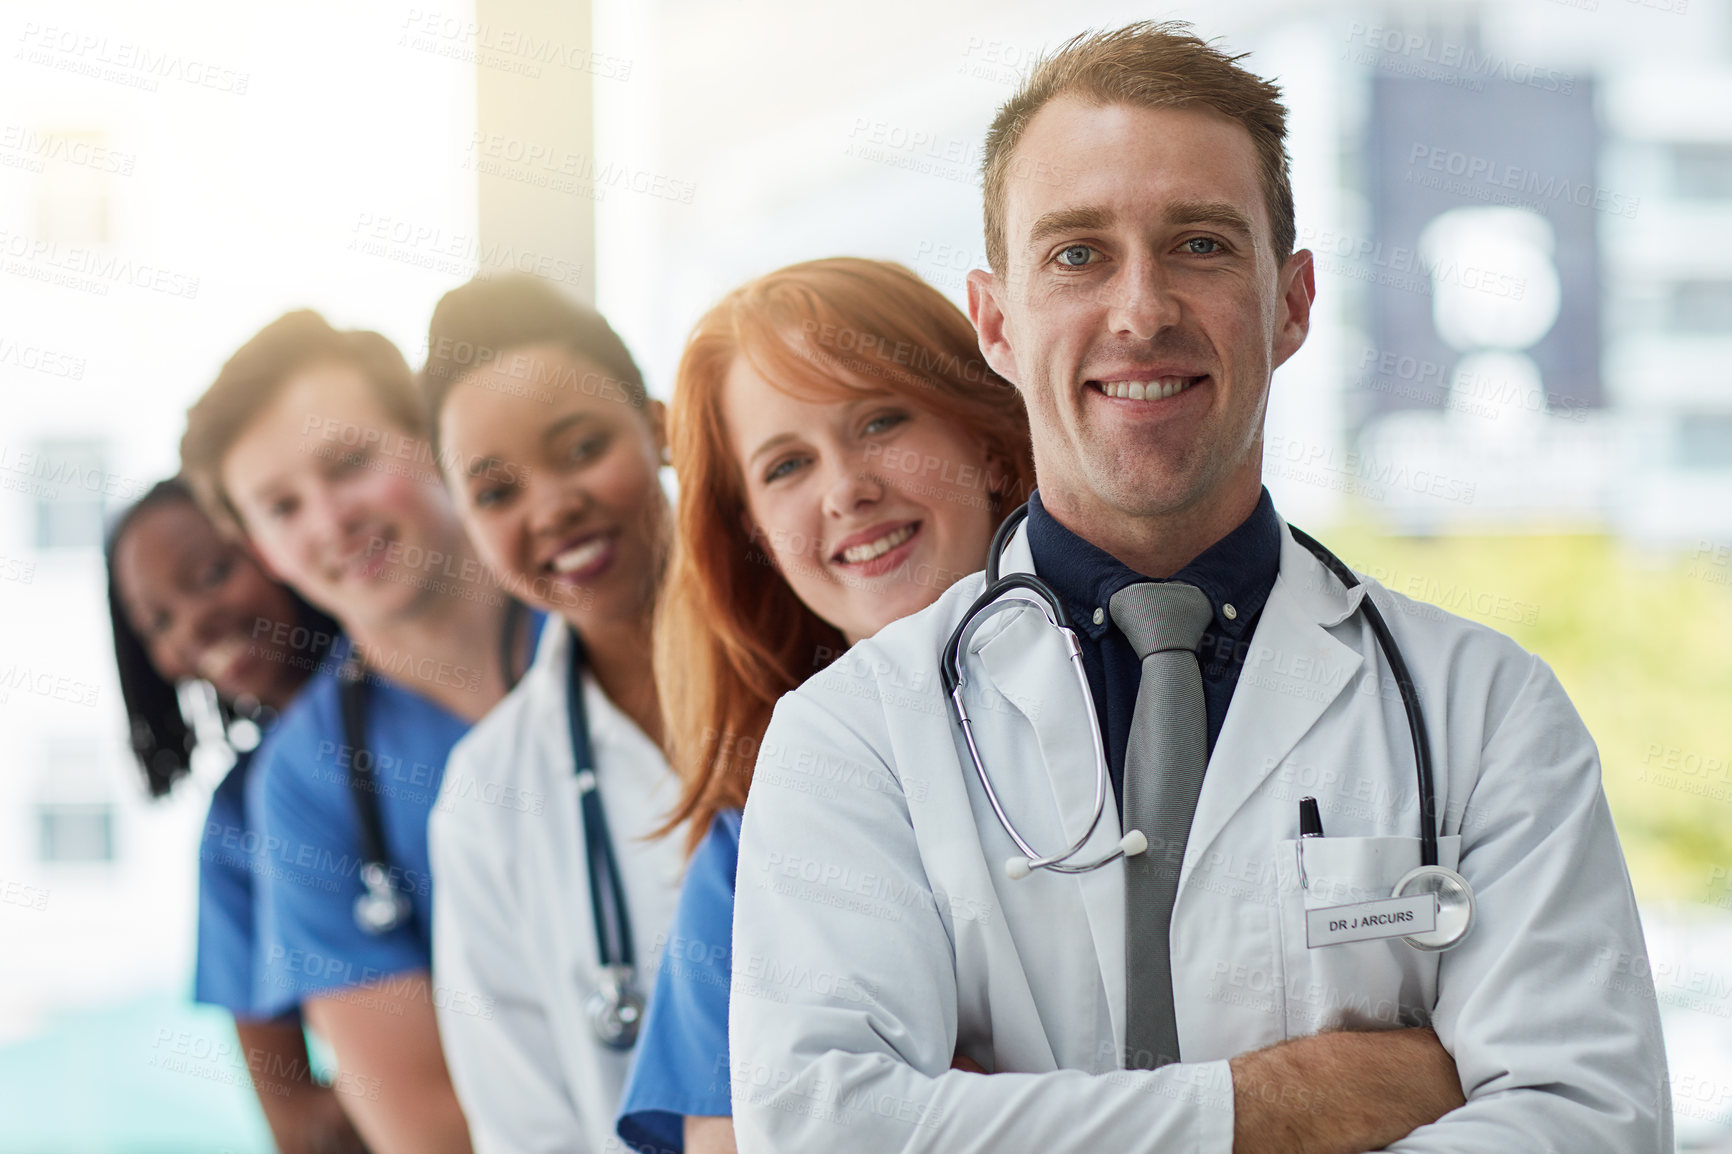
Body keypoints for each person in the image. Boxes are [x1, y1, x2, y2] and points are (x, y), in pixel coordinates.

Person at [728, 23, 1671, 1154]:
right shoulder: (854, 735)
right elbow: (826, 1131)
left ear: (1292, 303)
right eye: (1076, 253)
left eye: (1200, 245)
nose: (1140, 310)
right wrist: (1277, 1105)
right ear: (994, 320)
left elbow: (1588, 1120)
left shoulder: (1485, 708)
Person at [613, 257, 1036, 1154]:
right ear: (755, 538)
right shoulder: (747, 855)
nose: (845, 489)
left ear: (990, 444)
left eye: (880, 421)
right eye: (787, 466)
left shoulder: (1163, 704)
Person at [180, 312, 536, 1154]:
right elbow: (427, 1127)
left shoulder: (614, 631)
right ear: (262, 547)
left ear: (428, 435)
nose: (330, 520)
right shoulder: (305, 786)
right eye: (282, 507)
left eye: (349, 465)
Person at [417, 274, 689, 1153]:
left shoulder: (831, 655)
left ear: (658, 427)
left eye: (580, 447)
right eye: (496, 493)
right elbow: (527, 1126)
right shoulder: (487, 797)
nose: (552, 506)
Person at [107, 478, 367, 1154]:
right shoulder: (234, 827)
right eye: (157, 621)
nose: (191, 625)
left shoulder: (421, 707)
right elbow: (295, 1122)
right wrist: (403, 1077)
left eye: (214, 572)